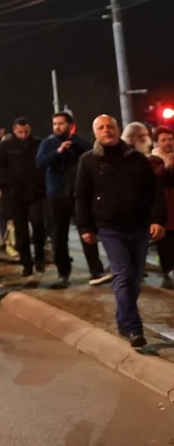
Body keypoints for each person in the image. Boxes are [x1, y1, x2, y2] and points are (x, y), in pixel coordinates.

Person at [76, 114, 166, 349]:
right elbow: (81, 196)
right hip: (109, 227)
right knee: (123, 273)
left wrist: (158, 219)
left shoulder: (136, 158)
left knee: (134, 279)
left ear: (118, 129)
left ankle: (122, 320)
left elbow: (154, 191)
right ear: (95, 132)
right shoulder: (88, 161)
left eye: (111, 126)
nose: (107, 130)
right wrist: (85, 227)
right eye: (101, 127)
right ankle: (134, 327)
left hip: (138, 226)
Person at [36, 111, 108, 286]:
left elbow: (93, 157)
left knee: (86, 232)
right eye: (55, 124)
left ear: (70, 125)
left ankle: (96, 271)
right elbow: (40, 162)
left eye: (61, 123)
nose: (57, 127)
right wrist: (58, 152)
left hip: (78, 195)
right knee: (58, 235)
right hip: (56, 194)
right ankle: (63, 272)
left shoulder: (80, 143)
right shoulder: (48, 143)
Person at [0, 117, 46, 276]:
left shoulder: (38, 143)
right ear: (14, 130)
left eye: (26, 132)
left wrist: (41, 183)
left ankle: (40, 258)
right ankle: (26, 263)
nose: (23, 135)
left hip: (35, 192)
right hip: (15, 194)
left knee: (38, 225)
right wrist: (9, 180)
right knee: (21, 231)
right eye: (20, 132)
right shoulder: (6, 146)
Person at [150, 127, 174, 289]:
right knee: (166, 246)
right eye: (163, 140)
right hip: (164, 209)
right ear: (157, 143)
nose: (168, 143)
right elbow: (152, 181)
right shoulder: (151, 160)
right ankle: (168, 274)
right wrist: (165, 166)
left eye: (170, 139)